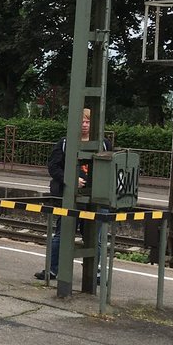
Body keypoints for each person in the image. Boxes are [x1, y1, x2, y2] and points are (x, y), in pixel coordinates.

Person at [36, 108, 103, 280]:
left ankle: (95, 272)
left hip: (94, 199)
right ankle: (53, 269)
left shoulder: (103, 144)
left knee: (96, 238)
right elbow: (53, 167)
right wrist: (70, 179)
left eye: (88, 122)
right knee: (62, 234)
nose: (85, 125)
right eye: (82, 121)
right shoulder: (65, 143)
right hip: (69, 197)